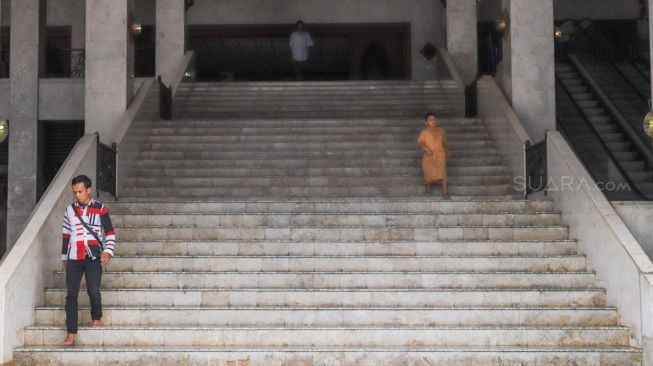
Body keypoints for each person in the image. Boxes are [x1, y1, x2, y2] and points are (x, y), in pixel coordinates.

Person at [61, 175, 116, 345]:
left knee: (93, 290)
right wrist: (64, 257)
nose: (77, 195)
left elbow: (110, 232)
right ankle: (71, 331)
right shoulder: (69, 210)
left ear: (88, 190)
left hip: (93, 256)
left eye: (80, 191)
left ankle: (96, 317)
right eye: (74, 192)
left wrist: (107, 251)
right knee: (71, 295)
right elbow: (65, 235)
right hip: (74, 257)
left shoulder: (101, 208)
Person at [417, 113, 450, 198]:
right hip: (429, 156)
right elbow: (420, 142)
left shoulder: (441, 131)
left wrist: (447, 152)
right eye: (430, 120)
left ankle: (445, 192)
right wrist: (425, 149)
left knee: (443, 173)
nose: (433, 121)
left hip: (440, 155)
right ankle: (428, 189)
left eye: (434, 119)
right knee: (428, 173)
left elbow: (444, 143)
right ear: (426, 122)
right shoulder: (424, 132)